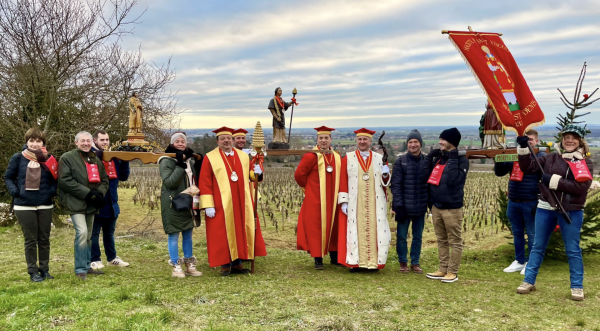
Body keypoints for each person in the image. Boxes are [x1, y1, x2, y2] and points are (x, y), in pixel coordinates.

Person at [516, 125, 593, 301]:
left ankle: (577, 286)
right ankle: (528, 281)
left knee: (572, 249)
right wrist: (523, 149)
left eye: (574, 137)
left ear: (580, 140)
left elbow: (581, 187)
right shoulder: (551, 157)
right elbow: (528, 168)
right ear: (562, 139)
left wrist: (554, 181)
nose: (570, 140)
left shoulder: (584, 162)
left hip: (571, 211)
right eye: (567, 137)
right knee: (537, 246)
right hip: (545, 207)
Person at [198, 127, 267, 276]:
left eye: (229, 138)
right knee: (222, 233)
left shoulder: (242, 156)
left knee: (240, 231)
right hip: (221, 203)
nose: (226, 141)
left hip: (241, 201)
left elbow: (251, 177)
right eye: (222, 138)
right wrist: (208, 204)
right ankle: (224, 265)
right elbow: (204, 182)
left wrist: (257, 172)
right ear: (217, 141)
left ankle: (237, 264)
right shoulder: (210, 157)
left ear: (232, 140)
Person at [4, 128, 58, 282]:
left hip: (45, 204)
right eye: (32, 141)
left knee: (44, 239)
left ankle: (44, 269)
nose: (35, 144)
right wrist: (16, 191)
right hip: (24, 205)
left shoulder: (49, 159)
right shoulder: (18, 158)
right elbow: (8, 177)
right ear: (27, 142)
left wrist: (51, 192)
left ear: (43, 143)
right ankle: (32, 271)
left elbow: (55, 178)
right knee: (30, 239)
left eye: (38, 141)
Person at [337, 128, 391, 272]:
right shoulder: (348, 158)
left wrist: (386, 175)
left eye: (365, 139)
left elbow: (385, 183)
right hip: (355, 202)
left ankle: (373, 263)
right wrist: (344, 201)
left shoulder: (379, 158)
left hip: (374, 202)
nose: (362, 142)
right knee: (355, 230)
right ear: (356, 140)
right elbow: (343, 179)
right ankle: (355, 262)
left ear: (370, 141)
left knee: (375, 230)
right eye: (360, 139)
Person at [58, 131, 109, 280]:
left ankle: (87, 265)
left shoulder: (94, 159)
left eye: (88, 141)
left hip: (91, 204)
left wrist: (99, 193)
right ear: (76, 142)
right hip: (75, 202)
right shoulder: (67, 158)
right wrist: (87, 193)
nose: (86, 143)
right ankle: (80, 269)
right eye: (83, 141)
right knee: (81, 233)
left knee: (89, 236)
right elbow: (64, 181)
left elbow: (104, 180)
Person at [494, 129, 545, 274]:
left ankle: (531, 262)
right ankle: (519, 260)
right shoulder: (513, 154)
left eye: (530, 140)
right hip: (514, 200)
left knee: (532, 234)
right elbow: (500, 172)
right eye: (525, 139)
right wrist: (497, 158)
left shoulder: (540, 156)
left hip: (530, 201)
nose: (528, 142)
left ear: (536, 141)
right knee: (517, 232)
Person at [423, 127, 468, 283]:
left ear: (452, 142)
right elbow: (426, 176)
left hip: (452, 208)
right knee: (441, 240)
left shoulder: (462, 160)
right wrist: (430, 157)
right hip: (437, 207)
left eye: (443, 139)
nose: (440, 142)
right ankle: (442, 269)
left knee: (455, 240)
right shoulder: (440, 158)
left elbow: (453, 181)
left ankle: (452, 272)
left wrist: (454, 159)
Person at [294, 126, 342, 270]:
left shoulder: (337, 156)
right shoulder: (310, 156)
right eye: (320, 138)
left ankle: (334, 256)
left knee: (334, 227)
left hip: (333, 199)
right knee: (316, 228)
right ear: (317, 139)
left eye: (326, 138)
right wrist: (308, 189)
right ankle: (318, 258)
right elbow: (299, 175)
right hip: (316, 199)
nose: (323, 141)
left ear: (330, 139)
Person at [158, 131, 203, 278]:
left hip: (189, 202)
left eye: (182, 141)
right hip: (173, 202)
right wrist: (179, 165)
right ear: (172, 144)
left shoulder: (189, 159)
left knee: (188, 234)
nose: (180, 143)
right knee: (173, 235)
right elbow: (170, 182)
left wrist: (199, 162)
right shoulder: (166, 160)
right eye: (177, 141)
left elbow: (196, 178)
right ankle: (176, 266)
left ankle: (189, 264)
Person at [89, 130, 131, 270]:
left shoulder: (113, 157)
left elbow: (123, 177)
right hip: (97, 202)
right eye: (102, 140)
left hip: (112, 203)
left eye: (107, 140)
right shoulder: (91, 157)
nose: (105, 142)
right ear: (95, 141)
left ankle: (112, 258)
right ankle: (94, 259)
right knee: (94, 233)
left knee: (109, 232)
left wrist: (124, 161)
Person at [391, 129, 428, 274]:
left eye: (415, 142)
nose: (413, 145)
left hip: (420, 205)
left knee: (417, 236)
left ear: (420, 144)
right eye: (410, 142)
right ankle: (403, 262)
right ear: (407, 144)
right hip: (404, 207)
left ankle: (415, 262)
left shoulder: (426, 161)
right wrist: (398, 205)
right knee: (401, 236)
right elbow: (396, 184)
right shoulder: (401, 161)